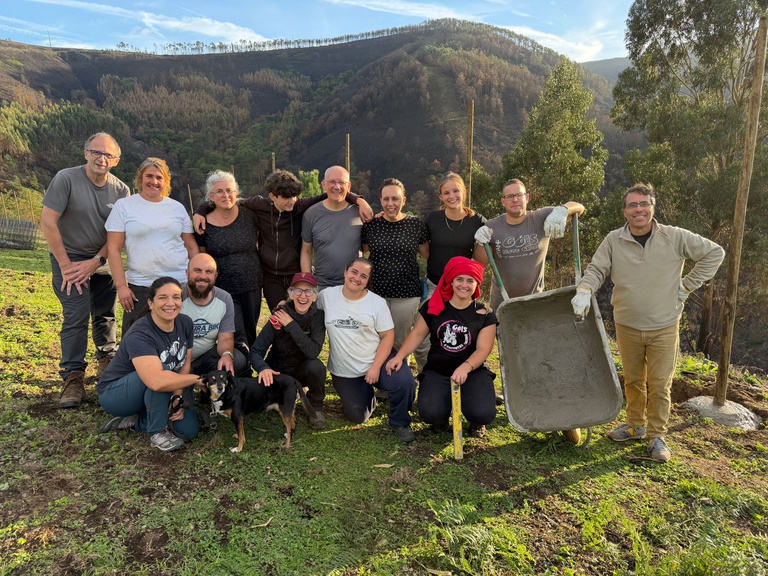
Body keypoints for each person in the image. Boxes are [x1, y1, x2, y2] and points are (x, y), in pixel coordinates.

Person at [571, 183, 724, 462]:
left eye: (644, 204)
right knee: (633, 379)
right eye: (632, 205)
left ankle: (657, 436)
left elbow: (715, 253)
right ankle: (635, 425)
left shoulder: (674, 236)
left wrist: (688, 284)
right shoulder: (613, 240)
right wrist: (584, 290)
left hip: (664, 325)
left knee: (659, 383)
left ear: (652, 207)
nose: (638, 209)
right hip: (627, 324)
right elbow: (596, 269)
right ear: (625, 211)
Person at [194, 169, 372, 311]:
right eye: (287, 197)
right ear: (272, 196)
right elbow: (228, 199)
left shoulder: (300, 206)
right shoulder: (259, 205)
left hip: (295, 273)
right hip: (271, 277)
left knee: (298, 318)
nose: (292, 201)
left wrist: (359, 200)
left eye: (295, 196)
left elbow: (332, 192)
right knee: (279, 318)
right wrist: (201, 210)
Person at [40, 132, 131, 408]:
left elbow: (118, 235)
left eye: (107, 155)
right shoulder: (66, 179)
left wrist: (97, 261)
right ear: (85, 153)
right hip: (69, 258)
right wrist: (66, 266)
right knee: (76, 316)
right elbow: (48, 222)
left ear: (116, 160)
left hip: (102, 260)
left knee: (105, 314)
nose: (101, 158)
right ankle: (73, 377)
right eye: (96, 152)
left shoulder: (122, 191)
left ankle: (106, 363)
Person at [387, 257, 498, 438]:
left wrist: (465, 367)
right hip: (438, 370)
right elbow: (416, 335)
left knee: (483, 413)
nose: (464, 285)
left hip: (472, 370)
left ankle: (476, 421)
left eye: (470, 280)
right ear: (451, 281)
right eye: (459, 279)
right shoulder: (434, 306)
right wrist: (399, 356)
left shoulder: (485, 314)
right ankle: (441, 418)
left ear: (477, 284)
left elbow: (483, 350)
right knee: (431, 413)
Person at [317, 258, 417, 442]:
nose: (357, 278)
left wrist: (375, 367)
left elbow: (388, 336)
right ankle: (366, 394)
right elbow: (305, 305)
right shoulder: (327, 296)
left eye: (363, 276)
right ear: (345, 272)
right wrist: (286, 303)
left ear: (368, 279)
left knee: (405, 382)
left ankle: (400, 422)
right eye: (354, 272)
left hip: (378, 361)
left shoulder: (376, 303)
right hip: (344, 370)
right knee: (357, 416)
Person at [97, 277, 201, 452]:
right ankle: (157, 431)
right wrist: (198, 379)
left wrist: (177, 397)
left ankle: (135, 421)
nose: (170, 303)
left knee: (187, 430)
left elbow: (185, 363)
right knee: (164, 371)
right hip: (117, 394)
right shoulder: (140, 334)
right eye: (162, 298)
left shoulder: (185, 323)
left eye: (176, 297)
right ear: (151, 303)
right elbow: (156, 381)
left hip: (159, 386)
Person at [106, 158, 199, 334]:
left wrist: (192, 281)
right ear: (140, 178)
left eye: (159, 177)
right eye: (149, 176)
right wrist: (121, 286)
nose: (154, 182)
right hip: (141, 285)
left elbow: (191, 247)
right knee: (135, 338)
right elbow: (113, 249)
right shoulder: (124, 206)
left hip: (177, 283)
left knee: (177, 337)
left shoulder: (177, 208)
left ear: (165, 181)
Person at [473, 178, 585, 310]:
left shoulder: (540, 218)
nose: (515, 200)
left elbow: (579, 207)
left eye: (519, 195)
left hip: (535, 301)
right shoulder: (492, 226)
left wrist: (562, 210)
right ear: (503, 202)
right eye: (510, 196)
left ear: (527, 198)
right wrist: (481, 243)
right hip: (502, 303)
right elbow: (480, 262)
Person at [414, 172, 486, 371]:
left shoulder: (477, 221)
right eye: (446, 192)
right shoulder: (433, 219)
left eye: (455, 190)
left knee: (466, 337)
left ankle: (468, 377)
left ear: (463, 191)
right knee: (422, 342)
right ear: (441, 197)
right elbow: (426, 253)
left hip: (463, 289)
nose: (451, 195)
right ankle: (427, 376)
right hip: (435, 285)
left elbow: (481, 260)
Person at [192, 170, 262, 348]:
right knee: (233, 332)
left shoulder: (249, 215)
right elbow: (202, 256)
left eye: (229, 190)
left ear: (236, 193)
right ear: (211, 196)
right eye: (220, 191)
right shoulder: (203, 223)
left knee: (250, 330)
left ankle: (249, 367)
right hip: (223, 288)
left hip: (251, 284)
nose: (226, 195)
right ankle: (237, 367)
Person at [250, 272, 327, 429]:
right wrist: (263, 368)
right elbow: (256, 351)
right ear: (291, 294)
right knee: (263, 406)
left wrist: (291, 325)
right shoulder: (279, 314)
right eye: (298, 290)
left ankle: (316, 408)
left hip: (301, 371)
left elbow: (313, 352)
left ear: (315, 296)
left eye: (308, 291)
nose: (303, 296)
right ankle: (285, 395)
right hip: (278, 373)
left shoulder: (318, 316)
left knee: (316, 366)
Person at [361, 178, 429, 350]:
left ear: (403, 200)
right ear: (381, 201)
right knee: (375, 341)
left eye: (395, 199)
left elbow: (427, 254)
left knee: (400, 343)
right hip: (375, 294)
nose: (390, 203)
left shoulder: (416, 225)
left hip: (406, 295)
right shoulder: (372, 225)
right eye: (386, 199)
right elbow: (363, 250)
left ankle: (399, 375)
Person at [301, 166, 369, 290]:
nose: (337, 187)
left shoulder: (360, 213)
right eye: (332, 182)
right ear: (324, 184)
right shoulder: (311, 214)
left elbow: (366, 248)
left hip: (353, 285)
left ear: (348, 186)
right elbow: (306, 251)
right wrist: (308, 282)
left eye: (341, 182)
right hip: (322, 285)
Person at [181, 253, 249, 377]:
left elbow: (226, 337)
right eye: (197, 270)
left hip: (207, 356)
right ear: (187, 273)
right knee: (181, 395)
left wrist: (226, 355)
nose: (203, 276)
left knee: (237, 360)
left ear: (215, 276)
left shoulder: (224, 298)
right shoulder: (176, 298)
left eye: (209, 272)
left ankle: (209, 382)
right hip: (179, 360)